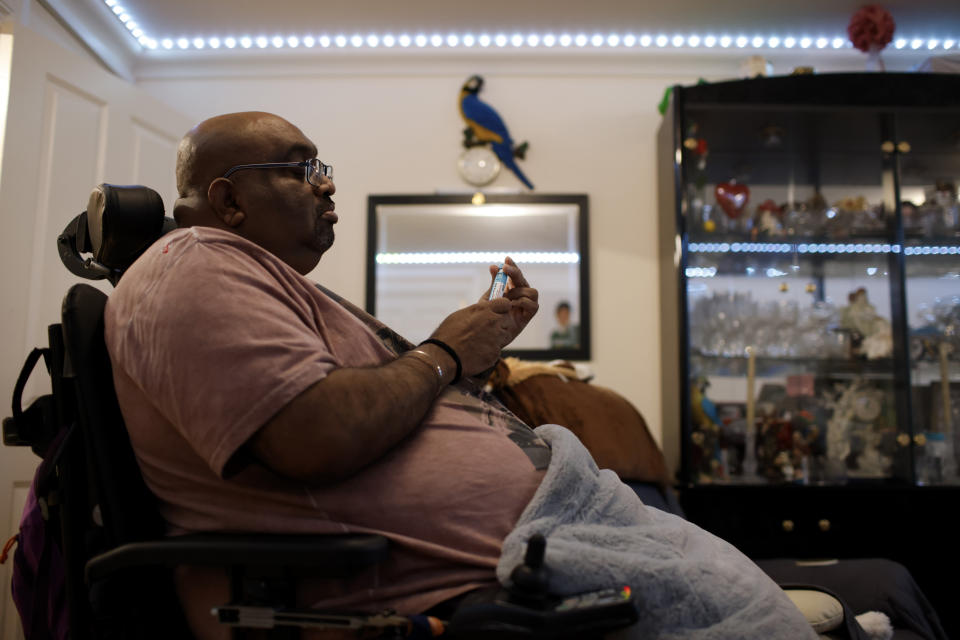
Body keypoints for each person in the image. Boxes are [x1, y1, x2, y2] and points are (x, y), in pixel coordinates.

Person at [105, 112, 813, 640]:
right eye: (303, 168)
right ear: (229, 201)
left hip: (556, 524)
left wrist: (471, 356)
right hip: (497, 567)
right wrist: (443, 351)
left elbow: (377, 405)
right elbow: (310, 434)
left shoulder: (265, 281)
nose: (327, 186)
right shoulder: (195, 263)